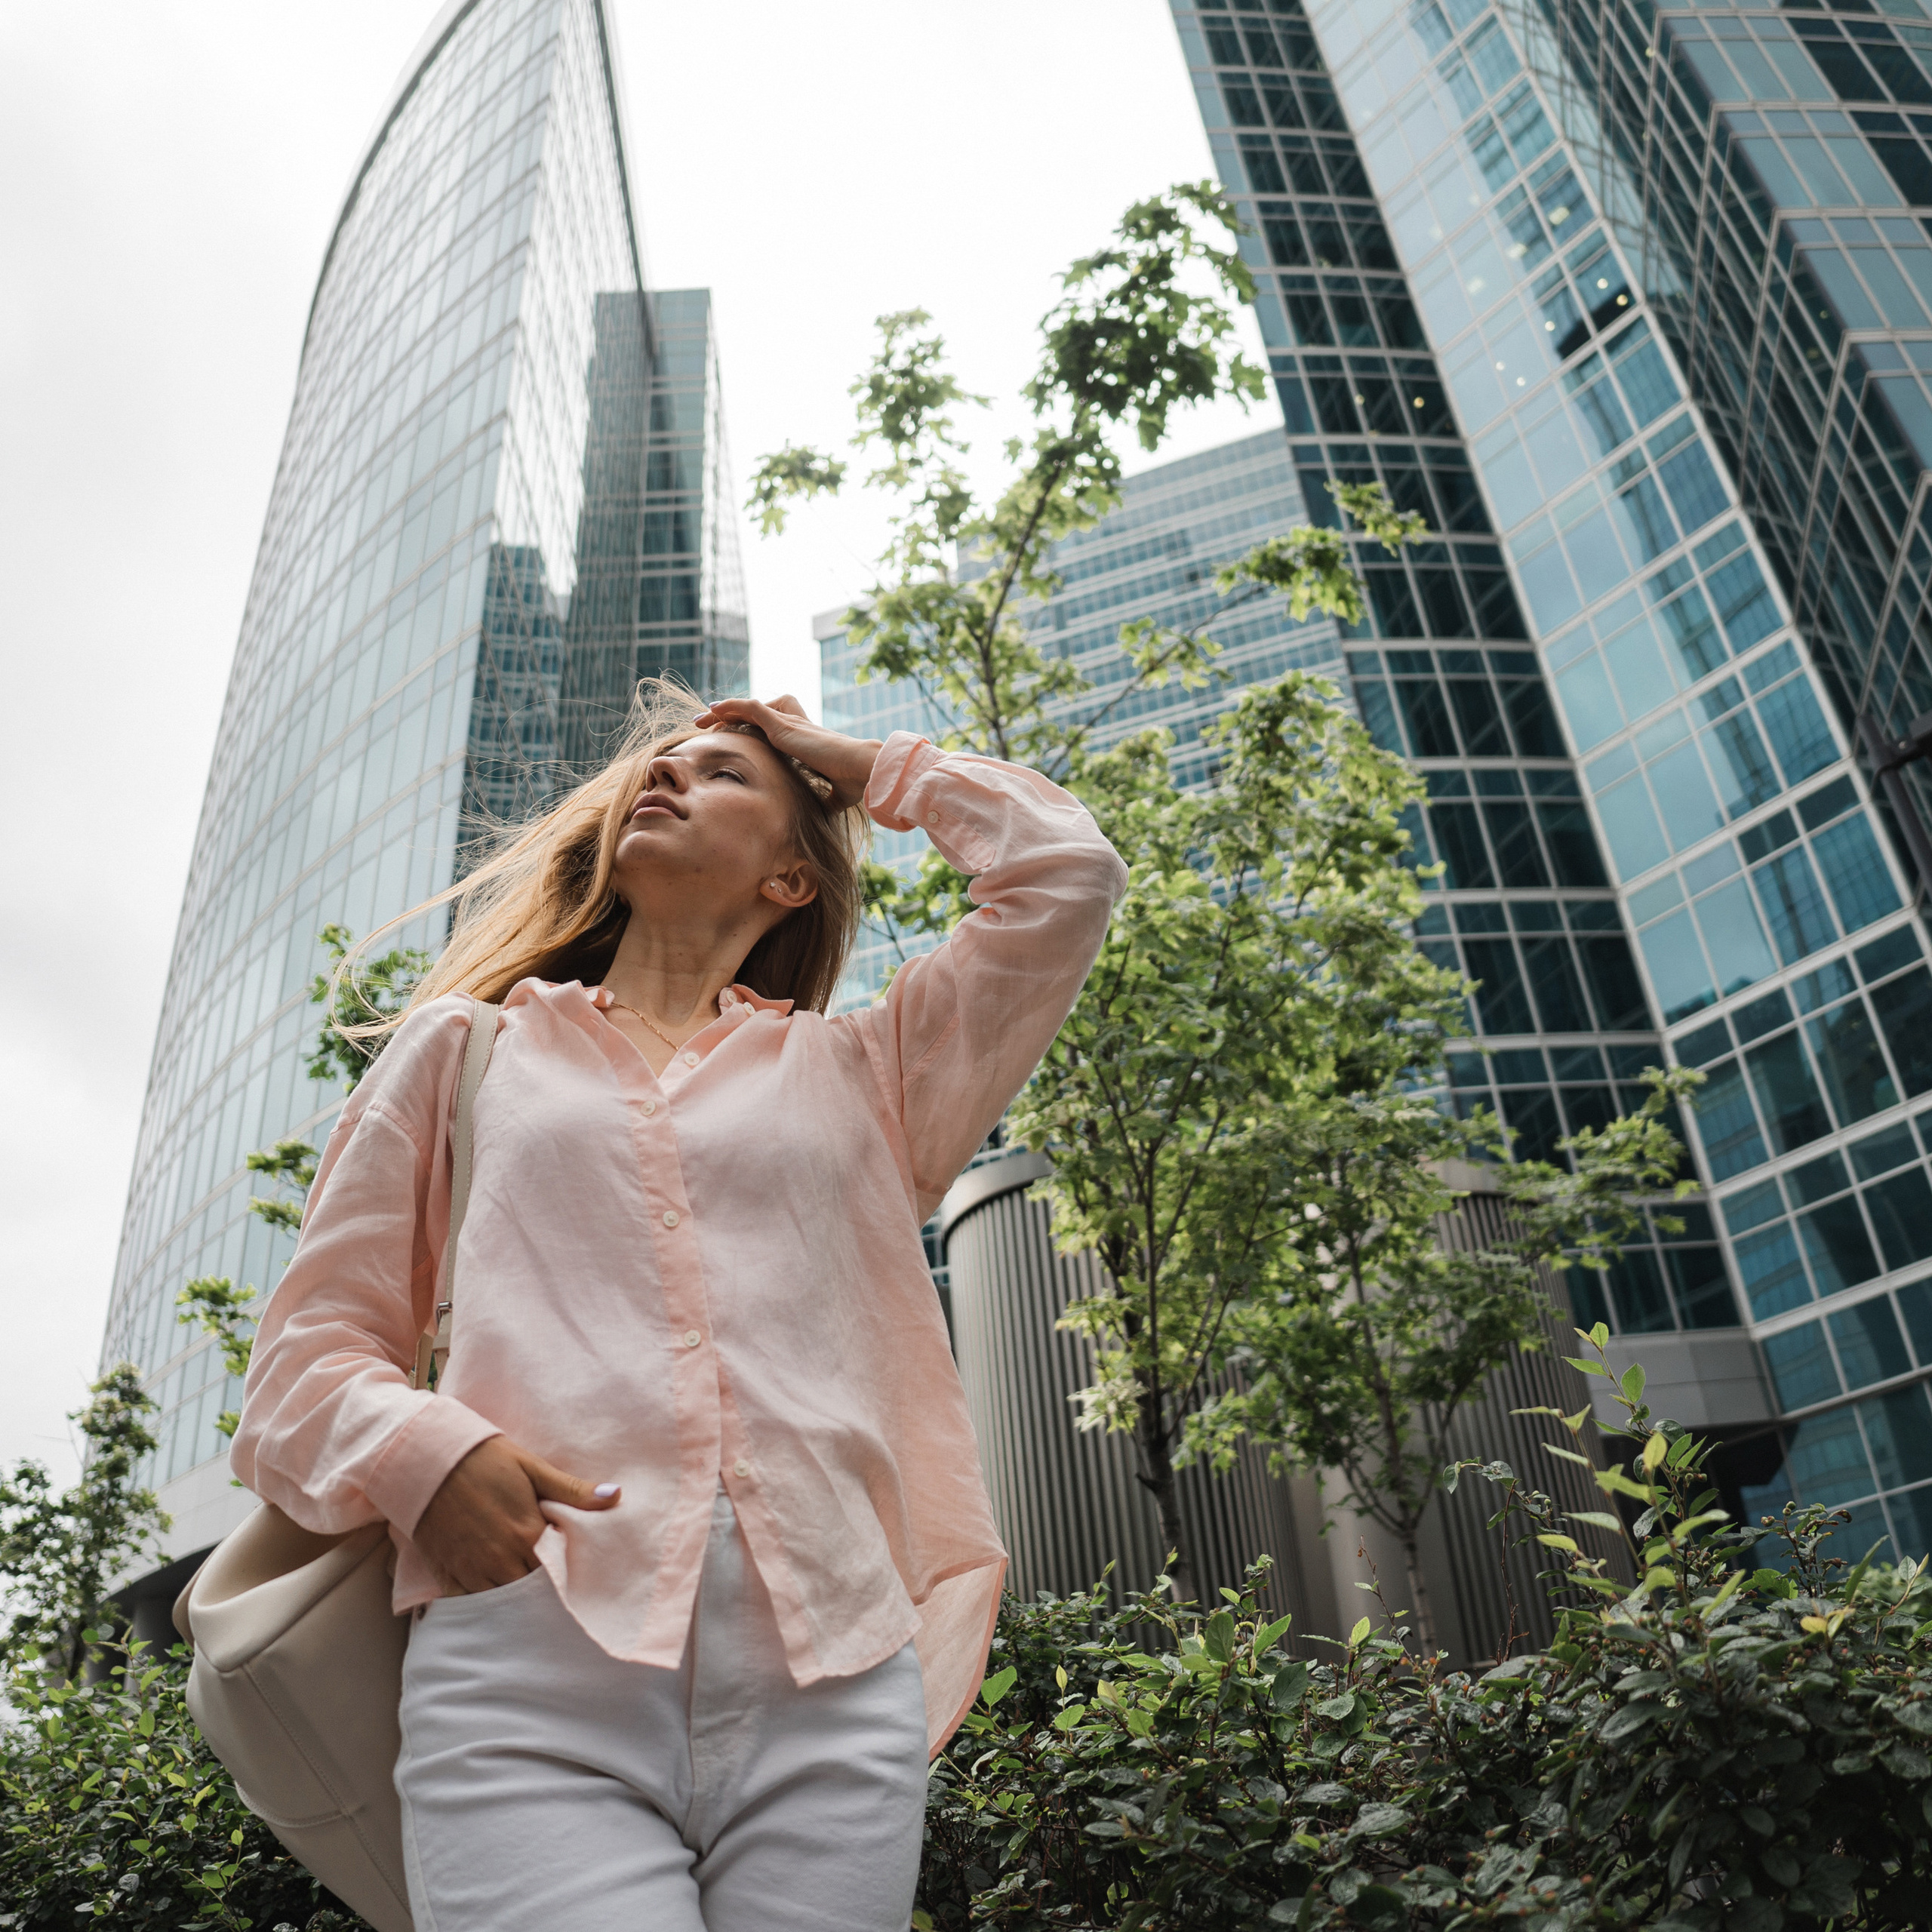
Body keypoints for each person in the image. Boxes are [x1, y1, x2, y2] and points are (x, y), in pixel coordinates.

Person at [229, 682, 1128, 1932]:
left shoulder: (869, 1076)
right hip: (530, 1675)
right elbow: (305, 1360)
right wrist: (430, 1453)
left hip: (834, 1682)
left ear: (791, 883)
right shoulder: (466, 1051)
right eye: (659, 767)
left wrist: (845, 762)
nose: (663, 777)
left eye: (720, 776)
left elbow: (1065, 875)